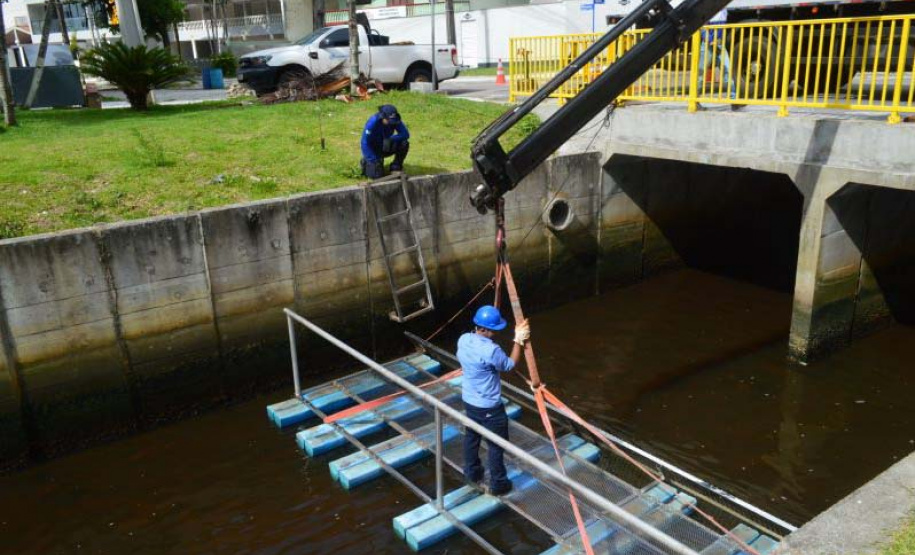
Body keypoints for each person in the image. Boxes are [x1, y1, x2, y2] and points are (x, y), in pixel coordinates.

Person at [457, 305, 530, 496]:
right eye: (495, 330)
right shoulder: (491, 350)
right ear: (487, 329)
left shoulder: (463, 339)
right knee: (496, 444)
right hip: (489, 406)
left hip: (469, 400)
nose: (496, 333)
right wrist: (518, 341)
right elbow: (509, 365)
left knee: (472, 436)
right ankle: (499, 483)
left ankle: (472, 472)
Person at [696, 9, 745, 111]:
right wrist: (709, 40)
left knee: (728, 70)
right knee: (701, 73)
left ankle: (734, 101)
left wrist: (717, 41)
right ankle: (695, 101)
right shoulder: (709, 7)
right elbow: (702, 26)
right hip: (707, 45)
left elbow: (722, 28)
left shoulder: (724, 10)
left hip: (719, 45)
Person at [360, 104, 410, 179]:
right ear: (382, 117)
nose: (391, 123)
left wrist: (391, 139)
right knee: (376, 176)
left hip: (385, 145)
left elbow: (405, 134)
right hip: (373, 149)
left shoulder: (395, 120)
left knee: (404, 143)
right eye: (388, 120)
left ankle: (395, 167)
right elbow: (365, 143)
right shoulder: (372, 123)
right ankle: (366, 162)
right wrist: (372, 159)